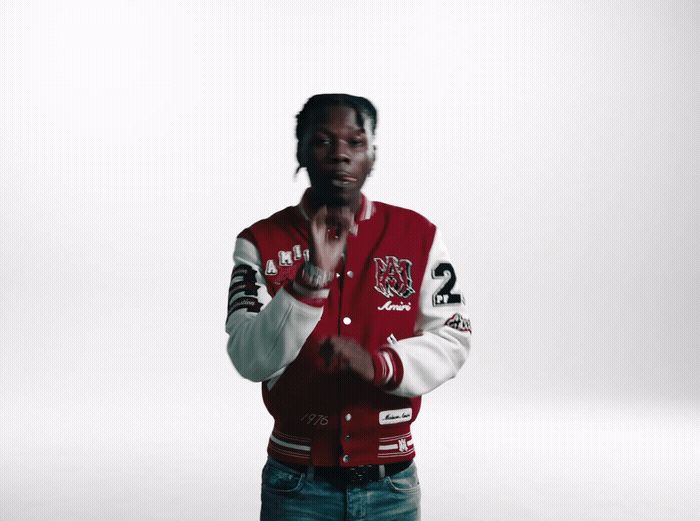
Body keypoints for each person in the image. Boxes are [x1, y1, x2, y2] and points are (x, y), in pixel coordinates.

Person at [226, 94, 471, 520]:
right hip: (296, 484)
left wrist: (382, 364)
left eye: (356, 142)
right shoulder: (259, 241)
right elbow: (249, 358)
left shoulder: (417, 235)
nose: (340, 154)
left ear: (373, 154)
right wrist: (310, 280)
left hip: (391, 485)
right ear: (300, 151)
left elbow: (453, 335)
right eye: (323, 141)